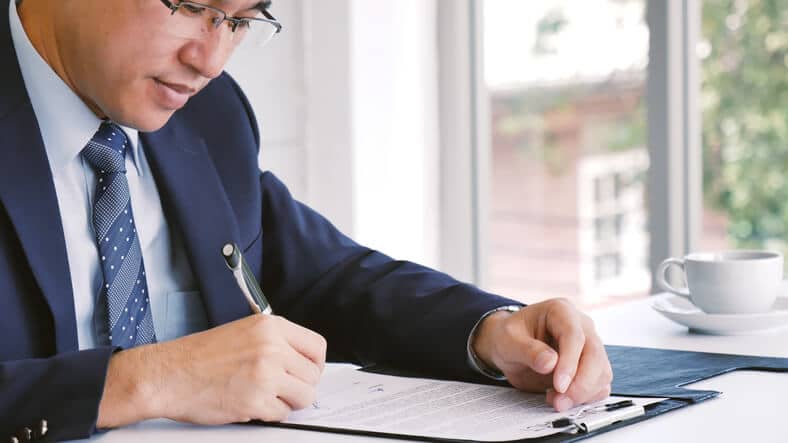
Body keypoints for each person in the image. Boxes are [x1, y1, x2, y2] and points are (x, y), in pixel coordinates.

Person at [0, 0, 612, 441]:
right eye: (189, 7)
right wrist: (141, 381)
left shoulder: (210, 116)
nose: (210, 59)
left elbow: (327, 277)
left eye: (240, 20)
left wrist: (491, 333)